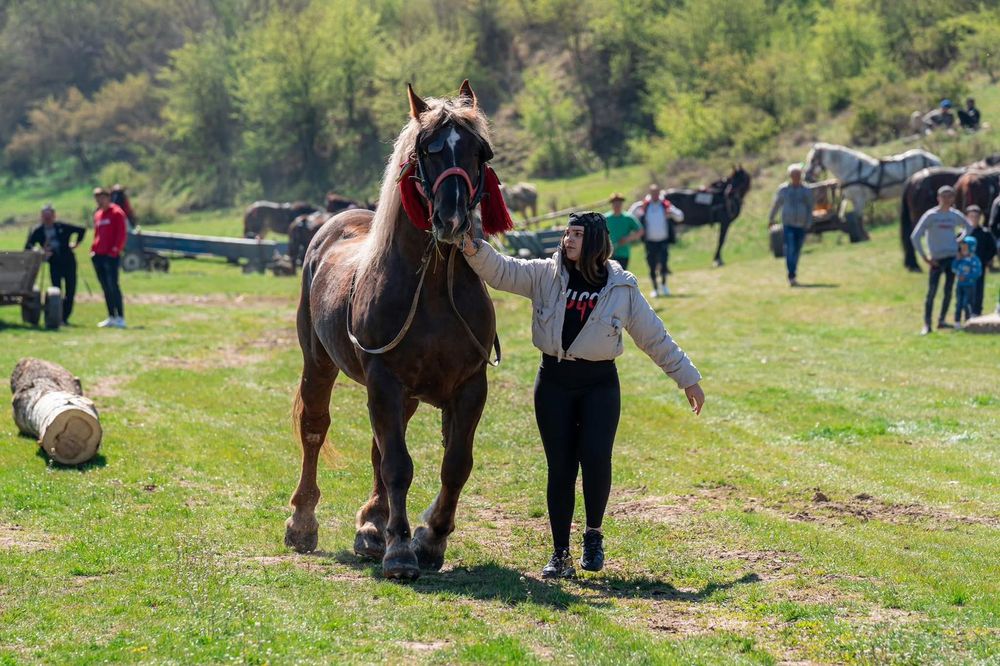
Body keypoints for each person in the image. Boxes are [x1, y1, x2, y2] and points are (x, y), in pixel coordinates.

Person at [460, 211, 705, 578]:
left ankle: (593, 535)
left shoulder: (622, 287)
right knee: (560, 467)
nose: (568, 240)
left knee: (595, 459)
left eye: (577, 234)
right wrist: (473, 247)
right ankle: (560, 554)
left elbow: (653, 336)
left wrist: (687, 378)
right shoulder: (546, 273)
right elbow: (503, 270)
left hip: (599, 385)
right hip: (554, 382)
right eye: (567, 233)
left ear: (594, 240)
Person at [910, 185, 972, 335]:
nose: (946, 199)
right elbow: (915, 236)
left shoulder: (954, 215)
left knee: (948, 290)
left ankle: (942, 320)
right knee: (932, 292)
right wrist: (925, 257)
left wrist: (959, 242)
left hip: (951, 257)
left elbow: (968, 227)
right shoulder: (931, 216)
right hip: (936, 259)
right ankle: (927, 324)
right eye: (943, 196)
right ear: (938, 198)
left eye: (949, 196)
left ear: (952, 199)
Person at [24, 204, 85, 325]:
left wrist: (76, 243)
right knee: (56, 290)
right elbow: (28, 246)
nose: (47, 218)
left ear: (54, 216)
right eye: (45, 216)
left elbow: (81, 230)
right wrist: (40, 251)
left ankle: (64, 317)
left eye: (49, 216)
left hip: (68, 262)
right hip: (54, 263)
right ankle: (57, 315)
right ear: (41, 217)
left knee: (70, 290)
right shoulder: (38, 230)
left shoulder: (62, 226)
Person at [629, 184, 684, 297]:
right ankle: (655, 288)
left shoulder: (665, 205)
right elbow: (630, 215)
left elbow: (680, 216)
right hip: (649, 242)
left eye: (657, 193)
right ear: (650, 193)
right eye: (653, 193)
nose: (655, 195)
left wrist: (671, 214)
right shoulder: (643, 205)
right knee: (651, 265)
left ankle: (664, 285)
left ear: (659, 193)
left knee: (664, 264)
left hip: (663, 241)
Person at [768, 163, 814, 287]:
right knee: (790, 248)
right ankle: (791, 274)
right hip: (788, 224)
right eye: (794, 175)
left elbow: (810, 207)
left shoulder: (806, 190)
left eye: (798, 175)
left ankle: (793, 271)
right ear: (790, 176)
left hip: (802, 224)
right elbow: (776, 204)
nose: (796, 177)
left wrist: (809, 222)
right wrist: (771, 219)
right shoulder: (783, 190)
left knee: (797, 250)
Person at [91, 187, 128, 328]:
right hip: (98, 255)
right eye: (97, 198)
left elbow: (121, 234)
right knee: (105, 286)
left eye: (102, 197)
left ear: (108, 198)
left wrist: (115, 250)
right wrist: (93, 249)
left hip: (111, 256)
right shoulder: (98, 214)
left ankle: (120, 317)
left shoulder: (117, 213)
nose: (99, 201)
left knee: (113, 285)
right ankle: (111, 316)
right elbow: (97, 234)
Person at [964, 205, 996, 316]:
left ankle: (977, 311)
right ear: (966, 217)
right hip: (965, 267)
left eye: (976, 216)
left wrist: (986, 260)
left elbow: (992, 248)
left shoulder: (985, 233)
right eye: (971, 216)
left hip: (979, 266)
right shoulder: (963, 234)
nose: (974, 219)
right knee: (966, 289)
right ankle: (966, 311)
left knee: (978, 289)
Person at [605, 193, 643, 271]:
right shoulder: (606, 218)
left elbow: (640, 231)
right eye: (615, 203)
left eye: (619, 203)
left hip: (623, 253)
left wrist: (628, 239)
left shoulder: (628, 218)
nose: (617, 205)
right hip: (608, 254)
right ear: (612, 204)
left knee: (620, 278)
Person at [952, 237, 982, 328]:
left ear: (971, 248)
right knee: (959, 303)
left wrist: (966, 277)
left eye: (965, 247)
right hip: (960, 285)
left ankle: (968, 321)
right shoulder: (960, 259)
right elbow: (953, 268)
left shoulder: (975, 260)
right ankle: (957, 321)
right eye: (962, 247)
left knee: (967, 303)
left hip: (969, 286)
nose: (963, 249)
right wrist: (956, 260)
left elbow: (977, 273)